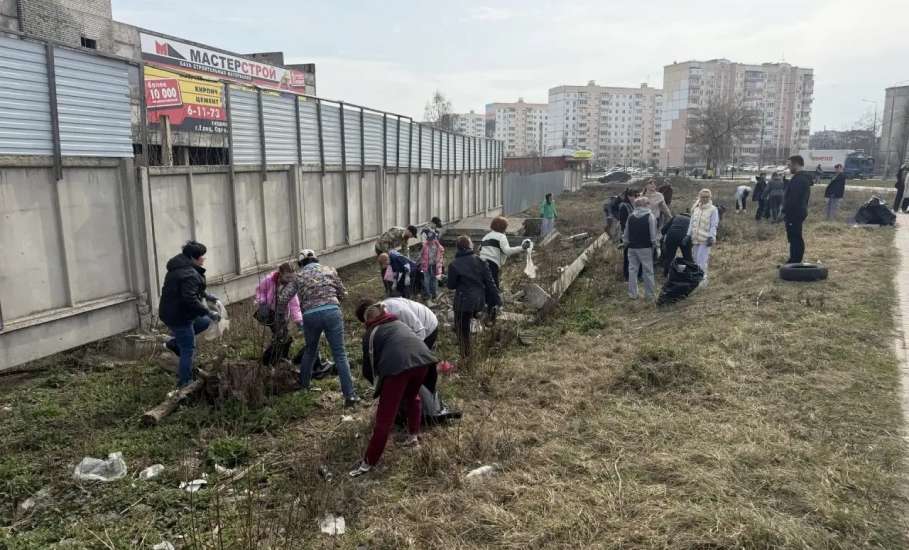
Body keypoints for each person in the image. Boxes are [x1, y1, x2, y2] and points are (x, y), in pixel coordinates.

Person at [349, 305, 436, 478]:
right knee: (412, 398)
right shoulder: (399, 323)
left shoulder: (371, 334)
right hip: (424, 361)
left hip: (397, 368)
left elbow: (370, 366)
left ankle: (368, 462)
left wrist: (378, 387)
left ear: (368, 321)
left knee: (385, 416)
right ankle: (413, 438)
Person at [275, 249, 359, 406]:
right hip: (332, 312)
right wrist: (333, 300)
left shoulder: (298, 276)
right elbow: (343, 293)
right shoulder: (330, 270)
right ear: (316, 260)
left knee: (310, 351)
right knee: (340, 354)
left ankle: (304, 387)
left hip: (310, 316)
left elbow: (283, 298)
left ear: (300, 264)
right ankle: (350, 396)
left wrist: (280, 316)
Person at [159, 241, 221, 387]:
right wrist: (209, 312)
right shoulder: (189, 273)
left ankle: (172, 343)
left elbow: (191, 289)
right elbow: (190, 299)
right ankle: (185, 383)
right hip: (179, 316)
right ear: (193, 257)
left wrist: (207, 296)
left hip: (172, 311)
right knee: (188, 349)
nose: (203, 259)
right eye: (201, 257)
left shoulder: (179, 267)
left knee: (204, 322)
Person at [446, 236, 500, 358]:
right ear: (471, 246)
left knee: (462, 331)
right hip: (479, 301)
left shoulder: (454, 265)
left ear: (457, 248)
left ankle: (466, 356)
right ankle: (487, 345)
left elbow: (451, 286)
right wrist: (498, 300)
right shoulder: (481, 261)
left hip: (463, 303)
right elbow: (490, 283)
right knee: (481, 323)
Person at [254, 262, 303, 365]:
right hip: (270, 312)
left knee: (285, 337)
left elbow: (294, 305)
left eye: (292, 277)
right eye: (287, 277)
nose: (290, 280)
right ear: (280, 273)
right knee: (280, 336)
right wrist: (262, 302)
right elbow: (259, 291)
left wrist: (298, 321)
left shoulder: (291, 286)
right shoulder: (269, 280)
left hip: (283, 314)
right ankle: (267, 360)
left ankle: (279, 358)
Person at [479, 216, 531, 289]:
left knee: (484, 287)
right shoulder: (501, 237)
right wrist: (522, 248)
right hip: (492, 264)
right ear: (503, 227)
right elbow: (507, 251)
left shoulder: (485, 237)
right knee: (494, 288)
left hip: (480, 264)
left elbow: (480, 249)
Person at [623, 196, 658, 300]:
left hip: (632, 247)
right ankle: (650, 295)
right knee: (648, 271)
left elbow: (626, 234)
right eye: (648, 203)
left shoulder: (631, 216)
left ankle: (632, 294)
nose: (649, 204)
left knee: (632, 270)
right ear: (644, 205)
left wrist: (626, 244)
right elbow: (653, 236)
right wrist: (656, 247)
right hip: (645, 247)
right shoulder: (650, 216)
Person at [783, 155, 813, 264]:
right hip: (798, 212)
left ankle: (795, 262)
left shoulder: (799, 179)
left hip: (794, 213)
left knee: (795, 238)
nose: (788, 167)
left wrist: (785, 211)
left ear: (796, 164)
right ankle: (794, 260)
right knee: (794, 237)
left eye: (789, 165)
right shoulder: (800, 178)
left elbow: (793, 199)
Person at [686, 189, 719, 285]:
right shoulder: (696, 209)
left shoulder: (713, 209)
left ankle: (702, 282)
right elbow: (691, 223)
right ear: (699, 197)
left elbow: (714, 224)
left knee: (702, 261)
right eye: (703, 197)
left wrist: (711, 237)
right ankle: (696, 281)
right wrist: (688, 235)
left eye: (706, 197)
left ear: (710, 198)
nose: (704, 199)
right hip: (695, 238)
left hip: (705, 239)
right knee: (695, 260)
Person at [419, 227, 444, 304]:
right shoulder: (425, 246)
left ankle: (434, 293)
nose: (430, 241)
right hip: (426, 266)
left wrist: (440, 262)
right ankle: (428, 294)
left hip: (435, 266)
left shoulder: (438, 247)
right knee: (427, 280)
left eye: (432, 239)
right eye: (429, 240)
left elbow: (441, 254)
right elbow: (421, 255)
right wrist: (419, 262)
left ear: (435, 239)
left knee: (434, 280)